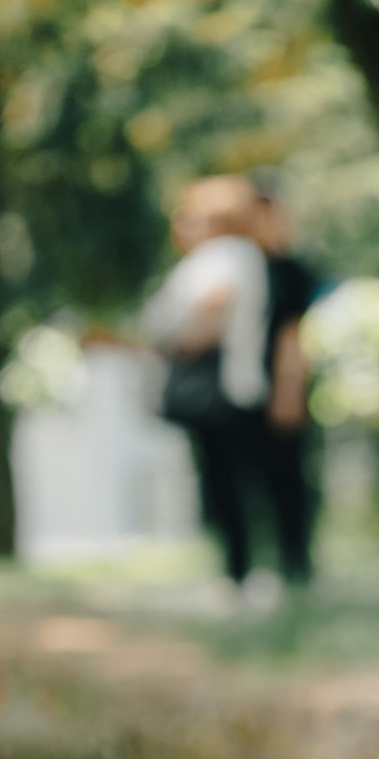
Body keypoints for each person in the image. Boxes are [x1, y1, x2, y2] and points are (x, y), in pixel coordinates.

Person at [142, 176, 269, 585]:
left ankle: (241, 575)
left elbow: (210, 316)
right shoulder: (238, 255)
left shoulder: (223, 257)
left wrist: (168, 342)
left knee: (225, 484)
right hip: (232, 387)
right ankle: (242, 573)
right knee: (229, 481)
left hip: (222, 389)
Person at [249, 169, 322, 584]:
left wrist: (289, 389)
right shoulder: (232, 265)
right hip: (235, 391)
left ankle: (295, 570)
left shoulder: (290, 270)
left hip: (279, 384)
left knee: (288, 481)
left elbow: (294, 335)